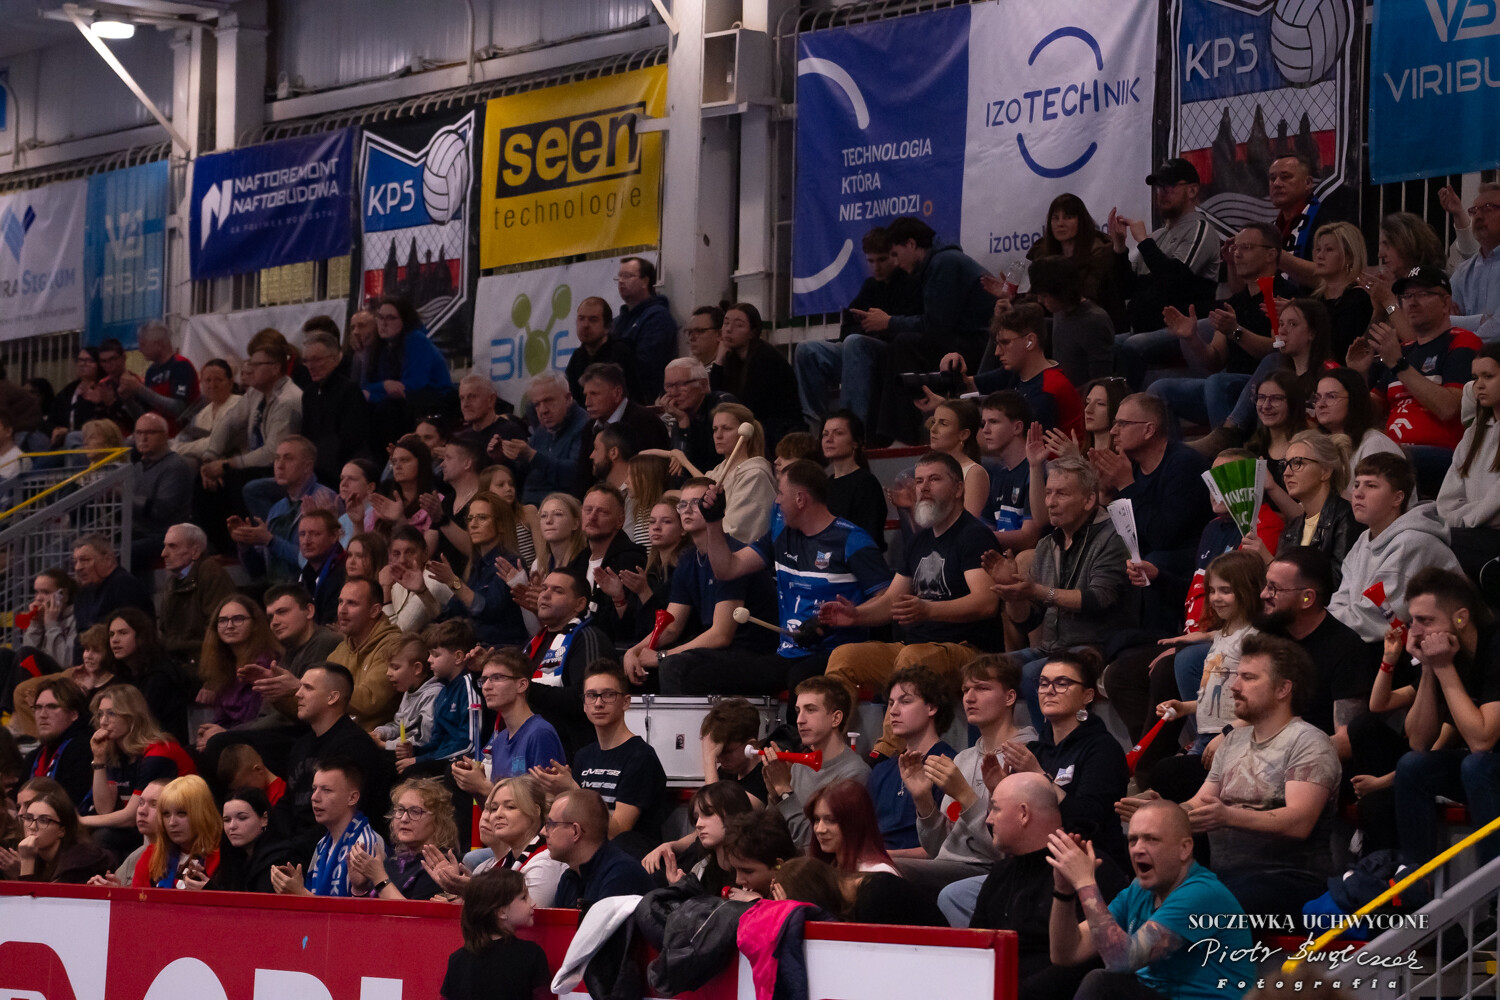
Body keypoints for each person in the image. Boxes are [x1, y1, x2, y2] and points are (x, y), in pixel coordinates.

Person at [1161, 634, 1341, 914]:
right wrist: (1162, 814)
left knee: (1206, 906)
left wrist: (1228, 816)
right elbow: (1199, 804)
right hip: (1230, 880)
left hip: (1291, 880)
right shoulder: (1233, 740)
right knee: (1146, 893)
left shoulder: (1308, 741)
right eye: (1237, 676)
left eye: (1248, 678)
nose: (1234, 686)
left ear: (1283, 689)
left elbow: (1299, 822)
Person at [699, 460, 893, 694]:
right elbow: (727, 568)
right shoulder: (782, 535)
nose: (777, 501)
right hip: (788, 654)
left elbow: (888, 602)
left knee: (801, 679)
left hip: (836, 654)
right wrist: (713, 522)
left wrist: (853, 616)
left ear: (800, 499)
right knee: (707, 672)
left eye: (781, 493)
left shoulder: (852, 539)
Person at [821, 452, 999, 704]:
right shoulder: (919, 540)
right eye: (919, 481)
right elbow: (892, 601)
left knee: (911, 659)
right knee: (844, 656)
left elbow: (986, 603)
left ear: (959, 489)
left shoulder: (974, 535)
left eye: (934, 479)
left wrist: (929, 610)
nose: (924, 488)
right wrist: (856, 615)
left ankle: (891, 733)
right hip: (914, 648)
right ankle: (831, 730)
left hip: (966, 650)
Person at [1048, 799, 1255, 1000]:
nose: (1138, 849)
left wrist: (1085, 882)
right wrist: (1064, 891)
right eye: (1133, 840)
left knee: (1102, 984)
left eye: (1151, 839)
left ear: (1184, 848)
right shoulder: (1138, 890)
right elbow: (1067, 953)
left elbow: (1122, 961)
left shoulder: (1202, 893)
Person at [992, 456, 1133, 723]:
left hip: (1094, 648)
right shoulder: (1046, 544)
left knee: (1035, 674)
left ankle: (1051, 744)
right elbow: (1028, 620)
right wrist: (1013, 593)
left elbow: (1098, 598)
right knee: (985, 673)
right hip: (1051, 649)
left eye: (1061, 494)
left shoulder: (1113, 537)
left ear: (1089, 500)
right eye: (1048, 493)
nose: (1050, 502)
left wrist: (1037, 591)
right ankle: (992, 746)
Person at [964, 773, 1129, 997]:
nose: (988, 820)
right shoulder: (1000, 873)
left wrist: (1009, 994)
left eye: (995, 809)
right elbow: (976, 947)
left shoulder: (1091, 869)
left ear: (1023, 814)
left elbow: (1081, 967)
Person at [627, 478, 778, 694]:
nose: (687, 510)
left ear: (714, 507)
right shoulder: (688, 559)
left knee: (674, 666)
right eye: (683, 505)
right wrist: (634, 651)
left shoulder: (732, 556)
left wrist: (662, 656)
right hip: (719, 652)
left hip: (752, 653)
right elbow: (671, 627)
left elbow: (721, 635)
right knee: (630, 666)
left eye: (697, 503)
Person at [1393, 569, 1500, 867]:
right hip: (1486, 768)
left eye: (1426, 621)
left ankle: (1492, 886)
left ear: (1461, 618)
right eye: (1412, 621)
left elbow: (1482, 740)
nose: (1415, 632)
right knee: (1411, 767)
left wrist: (1443, 668)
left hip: (1486, 764)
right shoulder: (1447, 653)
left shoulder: (1495, 646)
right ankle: (1417, 879)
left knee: (1476, 765)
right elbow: (1418, 741)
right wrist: (1429, 668)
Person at [909, 656, 1038, 899]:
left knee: (887, 874)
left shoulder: (1027, 755)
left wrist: (965, 796)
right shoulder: (963, 758)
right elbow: (937, 848)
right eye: (966, 690)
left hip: (991, 869)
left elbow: (1004, 850)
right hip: (949, 866)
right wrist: (923, 800)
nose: (969, 698)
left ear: (1010, 697)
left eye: (982, 688)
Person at [1150, 224, 1296, 435]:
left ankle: (1225, 444)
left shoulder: (1282, 297)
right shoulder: (1236, 301)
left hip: (1265, 387)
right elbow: (1214, 360)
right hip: (1230, 385)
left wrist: (1236, 331)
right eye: (1235, 248)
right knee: (1159, 390)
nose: (1237, 254)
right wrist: (1192, 338)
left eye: (1246, 247)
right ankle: (1175, 455)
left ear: (1270, 254)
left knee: (1217, 383)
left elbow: (1277, 349)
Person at [1347, 267, 1479, 496]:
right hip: (1392, 452)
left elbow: (1449, 408)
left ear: (1446, 303)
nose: (1412, 302)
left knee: (1380, 461)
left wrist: (1398, 364)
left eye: (1423, 294)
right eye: (1407, 296)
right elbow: (1370, 415)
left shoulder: (1463, 342)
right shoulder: (1403, 350)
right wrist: (1359, 375)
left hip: (1442, 453)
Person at [1145, 552, 1264, 803]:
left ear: (1248, 590)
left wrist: (1228, 734)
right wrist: (1185, 707)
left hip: (1234, 738)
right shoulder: (1224, 634)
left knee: (1168, 779)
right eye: (1212, 590)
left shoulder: (1254, 638)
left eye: (1225, 591)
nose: (1215, 598)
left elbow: (1261, 707)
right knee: (1165, 788)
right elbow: (1218, 696)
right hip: (1208, 735)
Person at [1095, 392, 1211, 632]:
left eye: (1122, 424)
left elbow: (1164, 536)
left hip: (1190, 558)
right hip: (1150, 553)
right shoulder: (1130, 467)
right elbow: (1122, 535)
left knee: (1152, 561)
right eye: (1114, 423)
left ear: (1149, 430)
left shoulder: (1184, 463)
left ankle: (1153, 641)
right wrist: (1106, 495)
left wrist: (1126, 487)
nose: (1113, 431)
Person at [530, 662, 667, 858]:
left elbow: (618, 832)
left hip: (627, 859)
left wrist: (573, 790)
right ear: (584, 704)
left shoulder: (640, 757)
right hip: (587, 855)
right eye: (591, 695)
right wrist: (556, 793)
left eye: (609, 695)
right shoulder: (584, 755)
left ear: (626, 702)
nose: (598, 703)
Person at [795, 227, 924, 430]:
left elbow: (913, 327)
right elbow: (847, 327)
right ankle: (813, 427)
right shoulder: (870, 286)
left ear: (894, 256)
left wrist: (883, 325)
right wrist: (867, 328)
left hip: (888, 353)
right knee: (807, 349)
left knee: (855, 343)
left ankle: (850, 427)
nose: (876, 267)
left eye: (882, 260)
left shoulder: (911, 284)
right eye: (871, 261)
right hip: (857, 349)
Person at [1328, 453, 1463, 643]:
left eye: (1371, 485)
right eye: (1357, 484)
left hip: (1445, 646)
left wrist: (1321, 627)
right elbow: (1342, 599)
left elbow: (1379, 619)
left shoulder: (1414, 542)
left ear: (1397, 498)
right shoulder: (1363, 540)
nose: (1357, 493)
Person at [1257, 547, 1378, 750]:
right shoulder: (1269, 637)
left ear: (1307, 598)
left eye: (1274, 589)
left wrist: (1285, 756)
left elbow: (1347, 740)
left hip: (1311, 758)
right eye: (1266, 585)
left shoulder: (1346, 649)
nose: (1263, 594)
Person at [274, 665, 393, 858]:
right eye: (300, 686)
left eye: (308, 688)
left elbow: (349, 814)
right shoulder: (301, 746)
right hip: (295, 843)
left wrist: (290, 849)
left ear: (332, 697)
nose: (298, 694)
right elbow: (287, 803)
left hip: (335, 849)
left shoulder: (355, 746)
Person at [198, 332, 304, 536]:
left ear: (275, 368)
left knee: (236, 479)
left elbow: (272, 452)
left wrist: (226, 464)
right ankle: (218, 544)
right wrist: (210, 457)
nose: (250, 369)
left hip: (280, 468)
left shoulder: (288, 400)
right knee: (203, 480)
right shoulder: (256, 392)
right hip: (258, 465)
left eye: (257, 364)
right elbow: (228, 422)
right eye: (250, 363)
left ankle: (254, 542)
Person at [1110, 158, 1221, 348]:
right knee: (1105, 346)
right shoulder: (1158, 236)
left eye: (1170, 185)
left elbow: (1175, 282)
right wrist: (1119, 248)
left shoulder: (1200, 229)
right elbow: (1126, 289)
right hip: (1145, 328)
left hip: (1183, 330)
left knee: (1131, 347)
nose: (1162, 192)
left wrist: (1144, 241)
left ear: (1192, 190)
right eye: (1159, 186)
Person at [82, 685, 195, 859]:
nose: (103, 721)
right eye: (100, 714)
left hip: (180, 828)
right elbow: (104, 809)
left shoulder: (158, 753)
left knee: (103, 836)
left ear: (132, 717)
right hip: (145, 829)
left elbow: (130, 817)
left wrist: (79, 820)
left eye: (111, 714)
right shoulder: (116, 752)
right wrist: (98, 759)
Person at [765, 676, 871, 846]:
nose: (800, 720)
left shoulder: (855, 773)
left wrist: (784, 790)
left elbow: (816, 843)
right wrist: (775, 795)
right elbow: (770, 836)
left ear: (835, 718)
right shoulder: (798, 766)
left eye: (810, 710)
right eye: (798, 711)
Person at [948, 304, 1084, 436]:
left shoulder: (1047, 390)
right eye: (997, 344)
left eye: (1005, 342)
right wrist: (953, 363)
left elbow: (1026, 446)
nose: (997, 352)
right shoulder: (1014, 372)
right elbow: (968, 386)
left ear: (1030, 341)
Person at [452, 651, 564, 806]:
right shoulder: (499, 741)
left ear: (522, 685)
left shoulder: (540, 734)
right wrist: (476, 788)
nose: (486, 686)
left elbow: (545, 807)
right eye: (484, 680)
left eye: (497, 678)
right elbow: (497, 809)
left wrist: (484, 787)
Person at [870, 666, 956, 854]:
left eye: (905, 701)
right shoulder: (881, 770)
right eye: (891, 703)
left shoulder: (949, 766)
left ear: (931, 707)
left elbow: (949, 847)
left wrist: (884, 858)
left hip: (918, 867)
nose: (893, 711)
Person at [1437, 342, 1500, 596]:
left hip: (1489, 536)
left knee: (1436, 544)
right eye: (1475, 378)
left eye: (1488, 376)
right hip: (1468, 531)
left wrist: (1464, 521)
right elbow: (1447, 498)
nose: (1479, 386)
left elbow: (1496, 507)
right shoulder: (1473, 434)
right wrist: (1461, 521)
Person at [271, 758, 382, 898]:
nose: (314, 797)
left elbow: (361, 910)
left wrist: (300, 893)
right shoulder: (322, 844)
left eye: (327, 790)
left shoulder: (366, 843)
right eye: (314, 789)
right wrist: (295, 887)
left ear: (352, 798)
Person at [441, 868, 551, 1000]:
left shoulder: (457, 959)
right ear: (501, 912)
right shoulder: (531, 954)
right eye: (524, 898)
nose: (533, 903)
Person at [362, 295, 455, 443]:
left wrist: (374, 395)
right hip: (403, 400)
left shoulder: (416, 340)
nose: (383, 324)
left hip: (432, 400)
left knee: (386, 410)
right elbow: (365, 385)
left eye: (391, 318)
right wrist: (384, 385)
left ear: (404, 320)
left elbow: (411, 387)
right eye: (380, 317)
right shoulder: (379, 346)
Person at [708, 302, 800, 448]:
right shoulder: (731, 359)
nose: (729, 329)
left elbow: (748, 407)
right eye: (726, 323)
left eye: (738, 325)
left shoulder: (765, 358)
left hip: (778, 429)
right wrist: (718, 361)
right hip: (753, 425)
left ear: (752, 332)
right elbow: (715, 398)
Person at [346, 776, 454, 900]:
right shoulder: (390, 864)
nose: (404, 819)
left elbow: (413, 912)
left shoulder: (441, 867)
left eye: (415, 812)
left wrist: (379, 878)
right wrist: (359, 888)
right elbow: (367, 911)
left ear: (438, 820)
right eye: (400, 810)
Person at [546, 787, 655, 908]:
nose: (543, 832)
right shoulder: (570, 877)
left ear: (575, 831)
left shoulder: (621, 875)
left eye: (551, 824)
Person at [571, 362, 670, 495]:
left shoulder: (646, 423)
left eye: (594, 394)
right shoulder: (589, 428)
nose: (587, 402)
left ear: (617, 393)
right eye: (586, 395)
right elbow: (583, 479)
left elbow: (653, 476)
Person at [192, 595, 277, 749]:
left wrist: (224, 734)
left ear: (255, 624)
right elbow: (221, 718)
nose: (229, 626)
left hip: (258, 739)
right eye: (223, 620)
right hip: (230, 737)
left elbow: (259, 719)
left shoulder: (266, 663)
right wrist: (209, 732)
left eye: (238, 619)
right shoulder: (223, 665)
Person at [100, 608, 194, 744]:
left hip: (161, 747)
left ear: (140, 637)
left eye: (123, 633)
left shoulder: (160, 676)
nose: (115, 640)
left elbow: (138, 722)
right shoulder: (123, 675)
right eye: (111, 634)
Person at [326, 577, 404, 730]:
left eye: (352, 603)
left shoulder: (393, 646)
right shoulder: (339, 652)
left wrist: (318, 690)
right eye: (340, 602)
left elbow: (369, 700)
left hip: (377, 738)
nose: (342, 610)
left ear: (374, 611)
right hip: (342, 734)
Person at [401, 619, 478, 771]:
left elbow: (469, 745)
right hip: (441, 759)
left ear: (458, 657)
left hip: (459, 764)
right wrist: (415, 752)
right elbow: (437, 742)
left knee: (409, 772)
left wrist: (419, 761)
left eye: (435, 655)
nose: (429, 660)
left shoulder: (470, 686)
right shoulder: (443, 692)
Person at [1030, 255, 1116, 386]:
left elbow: (1101, 380)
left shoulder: (1094, 321)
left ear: (1061, 292)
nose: (1040, 300)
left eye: (1044, 295)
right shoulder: (1060, 311)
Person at [502, 372, 586, 506]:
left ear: (568, 398)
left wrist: (532, 456)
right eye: (537, 404)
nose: (543, 410)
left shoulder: (584, 427)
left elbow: (574, 477)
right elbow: (522, 476)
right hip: (528, 506)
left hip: (560, 508)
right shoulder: (542, 431)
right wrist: (503, 458)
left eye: (548, 401)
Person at [298, 330, 370, 487]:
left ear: (335, 359)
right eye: (306, 361)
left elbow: (350, 440)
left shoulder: (349, 390)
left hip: (337, 469)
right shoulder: (309, 393)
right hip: (314, 469)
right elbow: (306, 436)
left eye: (317, 359)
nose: (310, 366)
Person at [1311, 367, 1402, 490]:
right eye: (1317, 398)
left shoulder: (1375, 445)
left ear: (1354, 400)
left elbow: (1374, 499)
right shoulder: (1319, 446)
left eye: (1331, 396)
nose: (1321, 404)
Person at [156, 523, 237, 660]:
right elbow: (165, 631)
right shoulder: (173, 581)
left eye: (172, 546)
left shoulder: (211, 574)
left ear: (195, 552)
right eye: (165, 546)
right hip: (179, 659)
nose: (163, 554)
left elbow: (216, 631)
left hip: (203, 659)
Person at [978, 392, 1043, 552]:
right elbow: (987, 527)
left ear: (1017, 427)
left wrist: (974, 537)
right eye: (983, 423)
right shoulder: (999, 475)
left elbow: (1029, 538)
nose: (985, 430)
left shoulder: (1037, 471)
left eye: (993, 422)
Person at [128, 413, 193, 573]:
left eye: (150, 433)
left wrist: (124, 497)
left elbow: (161, 511)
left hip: (165, 534)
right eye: (139, 433)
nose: (143, 438)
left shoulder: (175, 466)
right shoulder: (136, 466)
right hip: (138, 531)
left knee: (125, 551)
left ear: (165, 436)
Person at [133, 774, 220, 889]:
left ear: (202, 814)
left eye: (181, 813)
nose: (172, 822)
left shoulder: (222, 857)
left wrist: (208, 891)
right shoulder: (151, 857)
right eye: (166, 814)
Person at [205, 786, 299, 893]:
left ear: (264, 819)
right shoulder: (234, 858)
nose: (232, 826)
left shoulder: (280, 859)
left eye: (242, 818)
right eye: (226, 820)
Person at [14, 781, 111, 883]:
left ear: (62, 830)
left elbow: (36, 894)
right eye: (28, 818)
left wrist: (27, 861)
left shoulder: (78, 863)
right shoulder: (38, 858)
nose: (32, 826)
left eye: (43, 820)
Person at [71, 534, 154, 649]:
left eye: (85, 560)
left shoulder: (125, 586)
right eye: (75, 562)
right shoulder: (83, 593)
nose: (78, 567)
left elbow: (130, 638)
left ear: (108, 559)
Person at [820, 410, 887, 550]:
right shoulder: (826, 484)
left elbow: (869, 537)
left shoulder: (866, 483)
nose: (828, 439)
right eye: (825, 434)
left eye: (838, 433)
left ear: (855, 443)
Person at [22, 677, 95, 804]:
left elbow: (68, 805)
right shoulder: (33, 756)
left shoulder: (84, 749)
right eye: (38, 707)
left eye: (52, 707)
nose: (42, 715)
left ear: (73, 714)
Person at [612, 257, 675, 399]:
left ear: (645, 281)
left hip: (644, 398)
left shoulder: (657, 317)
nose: (621, 281)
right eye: (619, 276)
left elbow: (647, 365)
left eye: (627, 276)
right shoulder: (617, 322)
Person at [804, 779, 897, 875]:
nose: (819, 829)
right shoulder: (824, 868)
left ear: (855, 822)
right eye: (817, 819)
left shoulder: (879, 872)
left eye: (831, 820)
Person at [659, 357, 733, 477]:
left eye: (681, 384)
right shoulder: (680, 414)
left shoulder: (722, 405)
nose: (674, 393)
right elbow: (679, 472)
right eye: (669, 386)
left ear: (703, 384)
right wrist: (682, 422)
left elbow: (710, 465)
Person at [373, 632, 440, 757]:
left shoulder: (433, 694)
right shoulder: (409, 690)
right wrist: (380, 733)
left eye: (395, 668)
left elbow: (423, 739)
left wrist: (385, 745)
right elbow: (399, 726)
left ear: (417, 668)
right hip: (401, 750)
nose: (388, 673)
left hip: (419, 755)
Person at [1449, 182, 1500, 343]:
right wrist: (1482, 320)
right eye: (1474, 210)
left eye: (1488, 208)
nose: (1478, 216)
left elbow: (1497, 330)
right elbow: (1438, 319)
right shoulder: (1464, 271)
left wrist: (1461, 328)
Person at [564, 296, 638, 402]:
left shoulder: (621, 353)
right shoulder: (577, 356)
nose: (585, 325)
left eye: (593, 320)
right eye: (581, 318)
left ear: (608, 327)